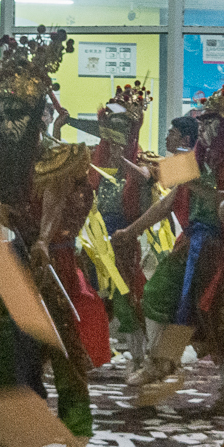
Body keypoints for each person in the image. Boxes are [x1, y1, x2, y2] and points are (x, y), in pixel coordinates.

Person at [0, 29, 103, 447]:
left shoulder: (63, 156)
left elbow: (55, 199)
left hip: (55, 262)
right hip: (18, 262)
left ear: (38, 112)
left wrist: (42, 239)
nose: (9, 123)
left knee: (67, 356)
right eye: (3, 113)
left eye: (18, 112)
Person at [117, 74, 224, 402]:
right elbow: (166, 198)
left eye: (213, 123)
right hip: (192, 244)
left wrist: (197, 186)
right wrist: (131, 231)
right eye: (202, 123)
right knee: (158, 294)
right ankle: (159, 361)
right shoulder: (192, 160)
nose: (205, 130)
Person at [82, 82, 158, 374]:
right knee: (89, 295)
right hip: (93, 240)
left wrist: (129, 161)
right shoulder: (93, 160)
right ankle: (88, 352)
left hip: (123, 238)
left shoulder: (142, 162)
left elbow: (150, 182)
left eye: (123, 130)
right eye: (111, 130)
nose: (115, 139)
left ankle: (140, 358)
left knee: (126, 297)